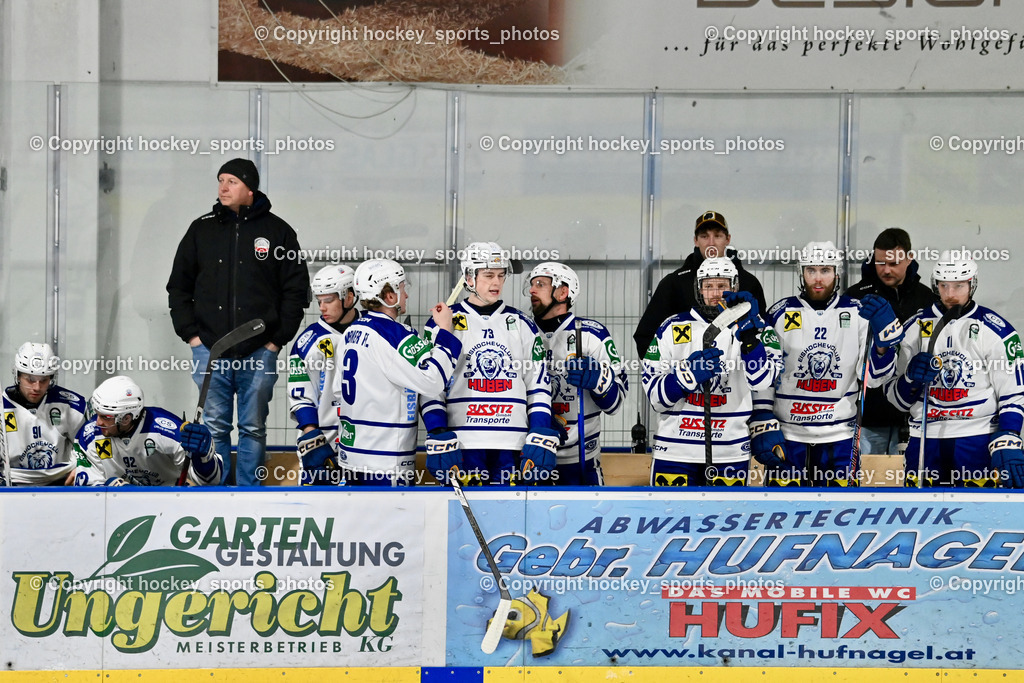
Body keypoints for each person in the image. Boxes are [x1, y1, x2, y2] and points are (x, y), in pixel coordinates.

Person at [166, 158, 310, 486]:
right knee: (214, 428)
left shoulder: (278, 232)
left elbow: (296, 291)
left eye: (231, 181)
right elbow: (178, 287)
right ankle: (214, 494)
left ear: (250, 188)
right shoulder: (200, 230)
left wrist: (276, 341)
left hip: (259, 351)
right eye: (220, 181)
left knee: (253, 428)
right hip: (210, 351)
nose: (223, 187)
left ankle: (249, 496)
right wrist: (193, 337)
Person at [297, 259, 463, 487]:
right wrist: (445, 331)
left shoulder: (351, 333)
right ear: (390, 296)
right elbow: (432, 382)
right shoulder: (395, 335)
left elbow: (338, 391)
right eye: (403, 288)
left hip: (352, 455)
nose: (406, 295)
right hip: (386, 459)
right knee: (392, 521)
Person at [754, 241, 904, 487]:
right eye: (811, 270)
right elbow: (765, 372)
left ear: (837, 274)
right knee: (784, 514)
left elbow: (874, 378)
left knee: (839, 514)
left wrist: (882, 346)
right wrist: (762, 416)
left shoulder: (857, 313)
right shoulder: (780, 312)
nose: (818, 278)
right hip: (790, 434)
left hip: (840, 436)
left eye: (825, 270)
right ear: (801, 273)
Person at [884, 251, 1024, 488]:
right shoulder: (914, 328)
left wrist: (1009, 435)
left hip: (976, 438)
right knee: (922, 516)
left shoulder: (996, 330)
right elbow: (895, 400)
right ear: (935, 285)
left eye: (959, 286)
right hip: (924, 439)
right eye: (944, 285)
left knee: (977, 516)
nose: (950, 294)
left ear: (972, 284)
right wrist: (909, 380)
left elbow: (1013, 393)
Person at [422, 242, 556, 486]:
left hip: (513, 445)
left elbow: (538, 385)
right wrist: (437, 431)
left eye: (501, 275)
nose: (496, 283)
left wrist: (538, 431)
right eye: (489, 275)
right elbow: (431, 386)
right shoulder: (443, 322)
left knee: (510, 522)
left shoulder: (522, 323)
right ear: (469, 277)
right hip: (463, 444)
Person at [641, 257, 781, 486]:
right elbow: (655, 399)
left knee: (727, 521)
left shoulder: (759, 328)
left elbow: (762, 381)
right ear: (699, 289)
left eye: (722, 286)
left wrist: (749, 340)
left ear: (734, 287)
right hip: (675, 451)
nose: (715, 293)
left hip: (730, 451)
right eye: (709, 286)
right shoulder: (671, 327)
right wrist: (686, 376)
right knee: (673, 521)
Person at [527, 262, 628, 485]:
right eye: (532, 284)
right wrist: (534, 421)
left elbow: (617, 402)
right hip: (531, 458)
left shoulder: (592, 333)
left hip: (582, 465)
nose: (532, 290)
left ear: (563, 292)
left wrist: (599, 382)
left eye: (541, 284)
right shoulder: (521, 331)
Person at [845, 227, 937, 455]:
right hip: (867, 416)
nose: (886, 270)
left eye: (893, 263)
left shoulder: (928, 299)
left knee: (910, 486)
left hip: (914, 413)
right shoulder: (855, 298)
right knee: (866, 486)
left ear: (909, 258)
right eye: (880, 263)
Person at [633, 210, 767, 357]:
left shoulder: (748, 282)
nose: (711, 242)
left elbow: (764, 334)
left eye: (717, 236)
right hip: (690, 375)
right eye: (704, 236)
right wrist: (678, 375)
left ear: (727, 239)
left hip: (737, 376)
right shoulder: (674, 283)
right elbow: (646, 337)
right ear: (696, 240)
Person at [72, 376, 221, 486]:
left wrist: (203, 459)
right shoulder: (90, 435)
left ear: (126, 418)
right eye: (97, 413)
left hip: (169, 503)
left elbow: (209, 484)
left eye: (105, 417)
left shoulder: (167, 431)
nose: (97, 422)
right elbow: (88, 492)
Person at [288, 264, 359, 484]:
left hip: (364, 443)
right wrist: (310, 433)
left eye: (328, 300)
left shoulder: (373, 331)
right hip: (323, 441)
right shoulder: (307, 342)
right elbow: (300, 394)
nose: (322, 307)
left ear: (349, 297)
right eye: (319, 301)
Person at [1, 343, 86, 486]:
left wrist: (82, 467)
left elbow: (89, 446)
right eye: (30, 380)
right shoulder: (2, 407)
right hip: (14, 483)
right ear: (18, 376)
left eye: (44, 380)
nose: (37, 388)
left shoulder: (70, 405)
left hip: (61, 481)